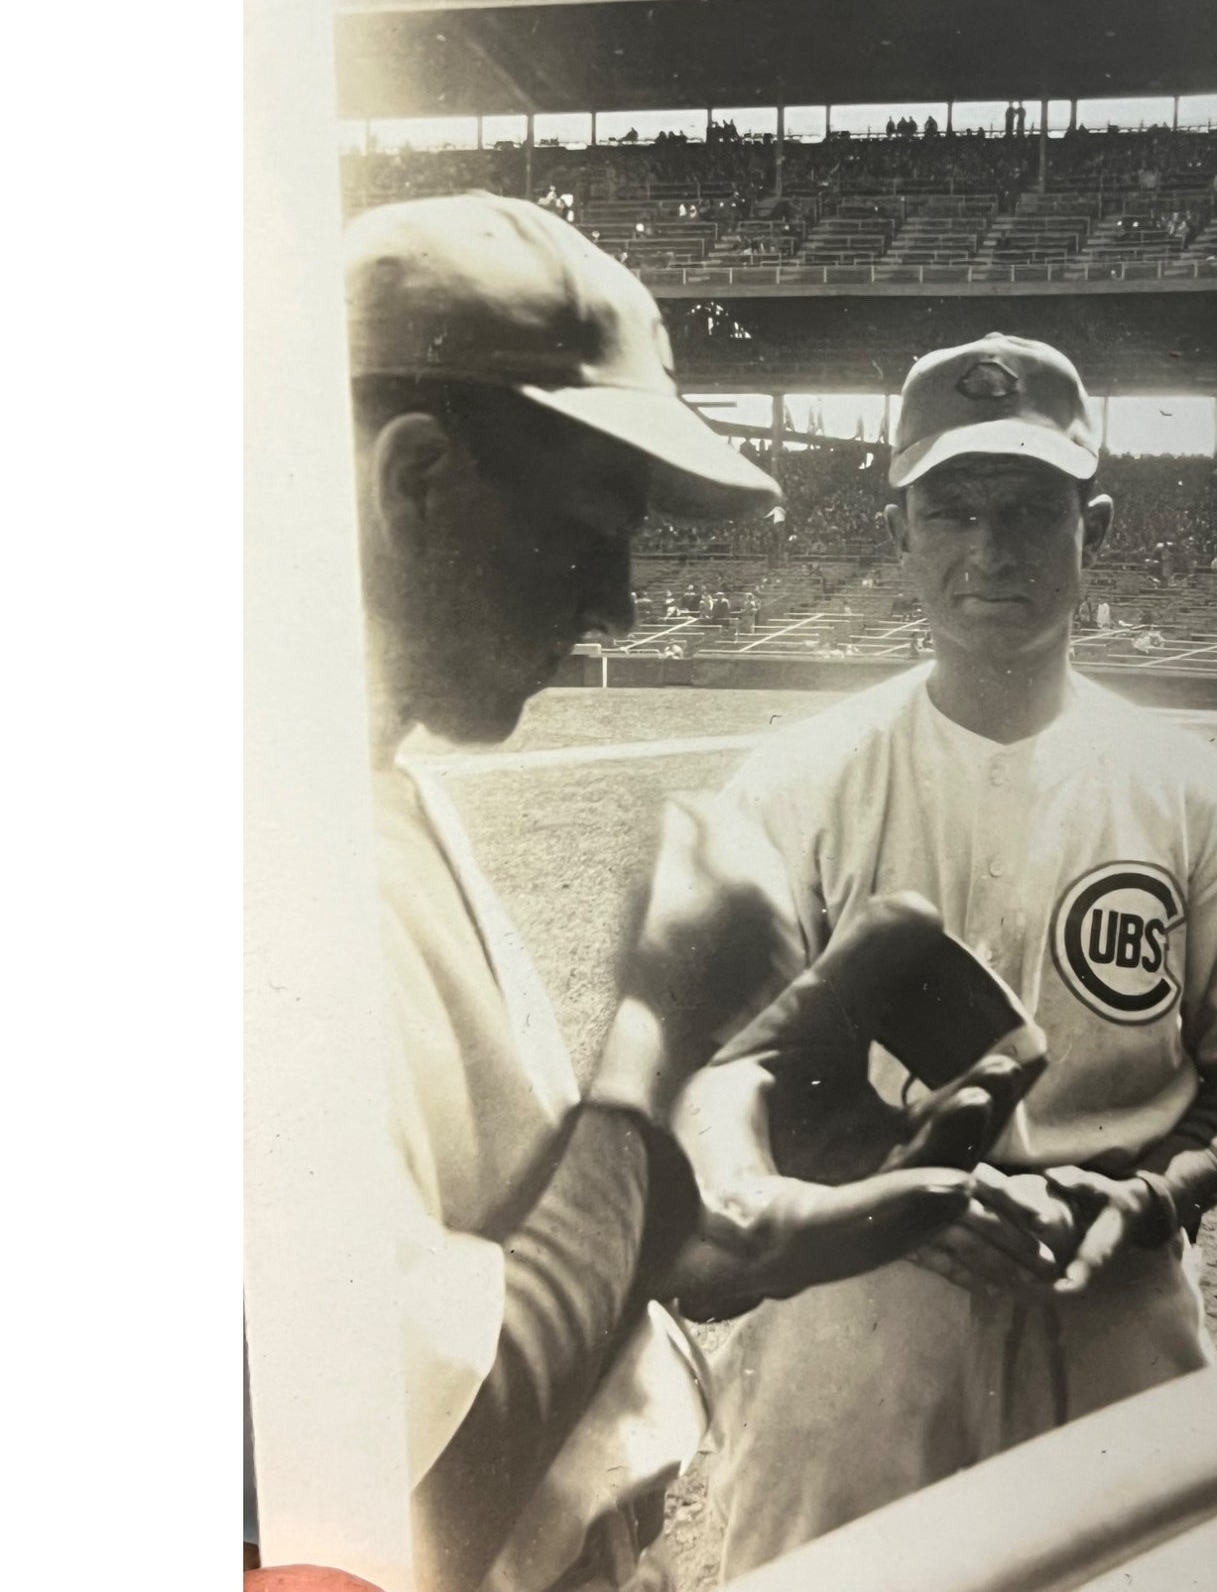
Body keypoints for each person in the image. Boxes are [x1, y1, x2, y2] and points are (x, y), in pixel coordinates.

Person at [340, 195, 989, 1592]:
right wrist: (658, 1028)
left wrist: (696, 1200)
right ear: (414, 484)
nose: (623, 607)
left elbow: (477, 1280)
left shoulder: (368, 786)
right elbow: (402, 1499)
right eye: (589, 533)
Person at [700, 333, 1217, 1575]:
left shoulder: (1186, 791)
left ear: (1091, 529)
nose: (990, 550)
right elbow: (722, 1068)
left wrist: (1153, 1194)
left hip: (1110, 1292)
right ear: (901, 532)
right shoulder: (795, 783)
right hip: (855, 1304)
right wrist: (883, 1182)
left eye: (1031, 512)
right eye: (951, 509)